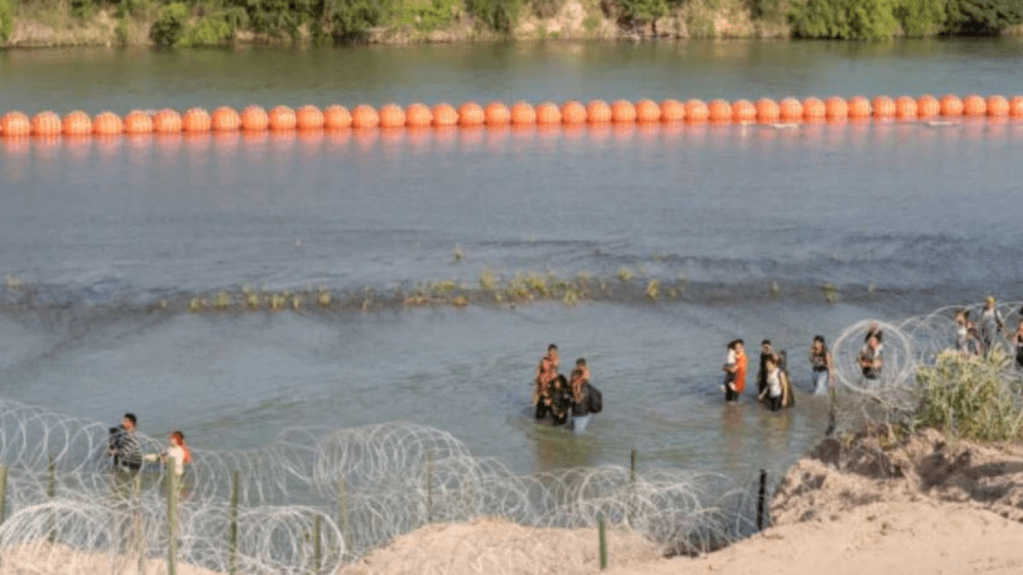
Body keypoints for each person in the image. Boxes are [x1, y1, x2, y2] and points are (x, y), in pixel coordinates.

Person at [569, 358, 598, 433]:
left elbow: (579, 399)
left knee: (578, 432)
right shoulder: (576, 378)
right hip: (578, 410)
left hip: (582, 411)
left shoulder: (584, 382)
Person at [534, 344, 560, 420]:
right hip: (543, 388)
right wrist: (535, 393)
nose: (553, 353)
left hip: (551, 390)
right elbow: (537, 377)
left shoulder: (556, 360)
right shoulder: (543, 361)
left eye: (554, 352)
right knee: (539, 416)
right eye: (551, 352)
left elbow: (556, 372)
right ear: (548, 352)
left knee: (554, 415)